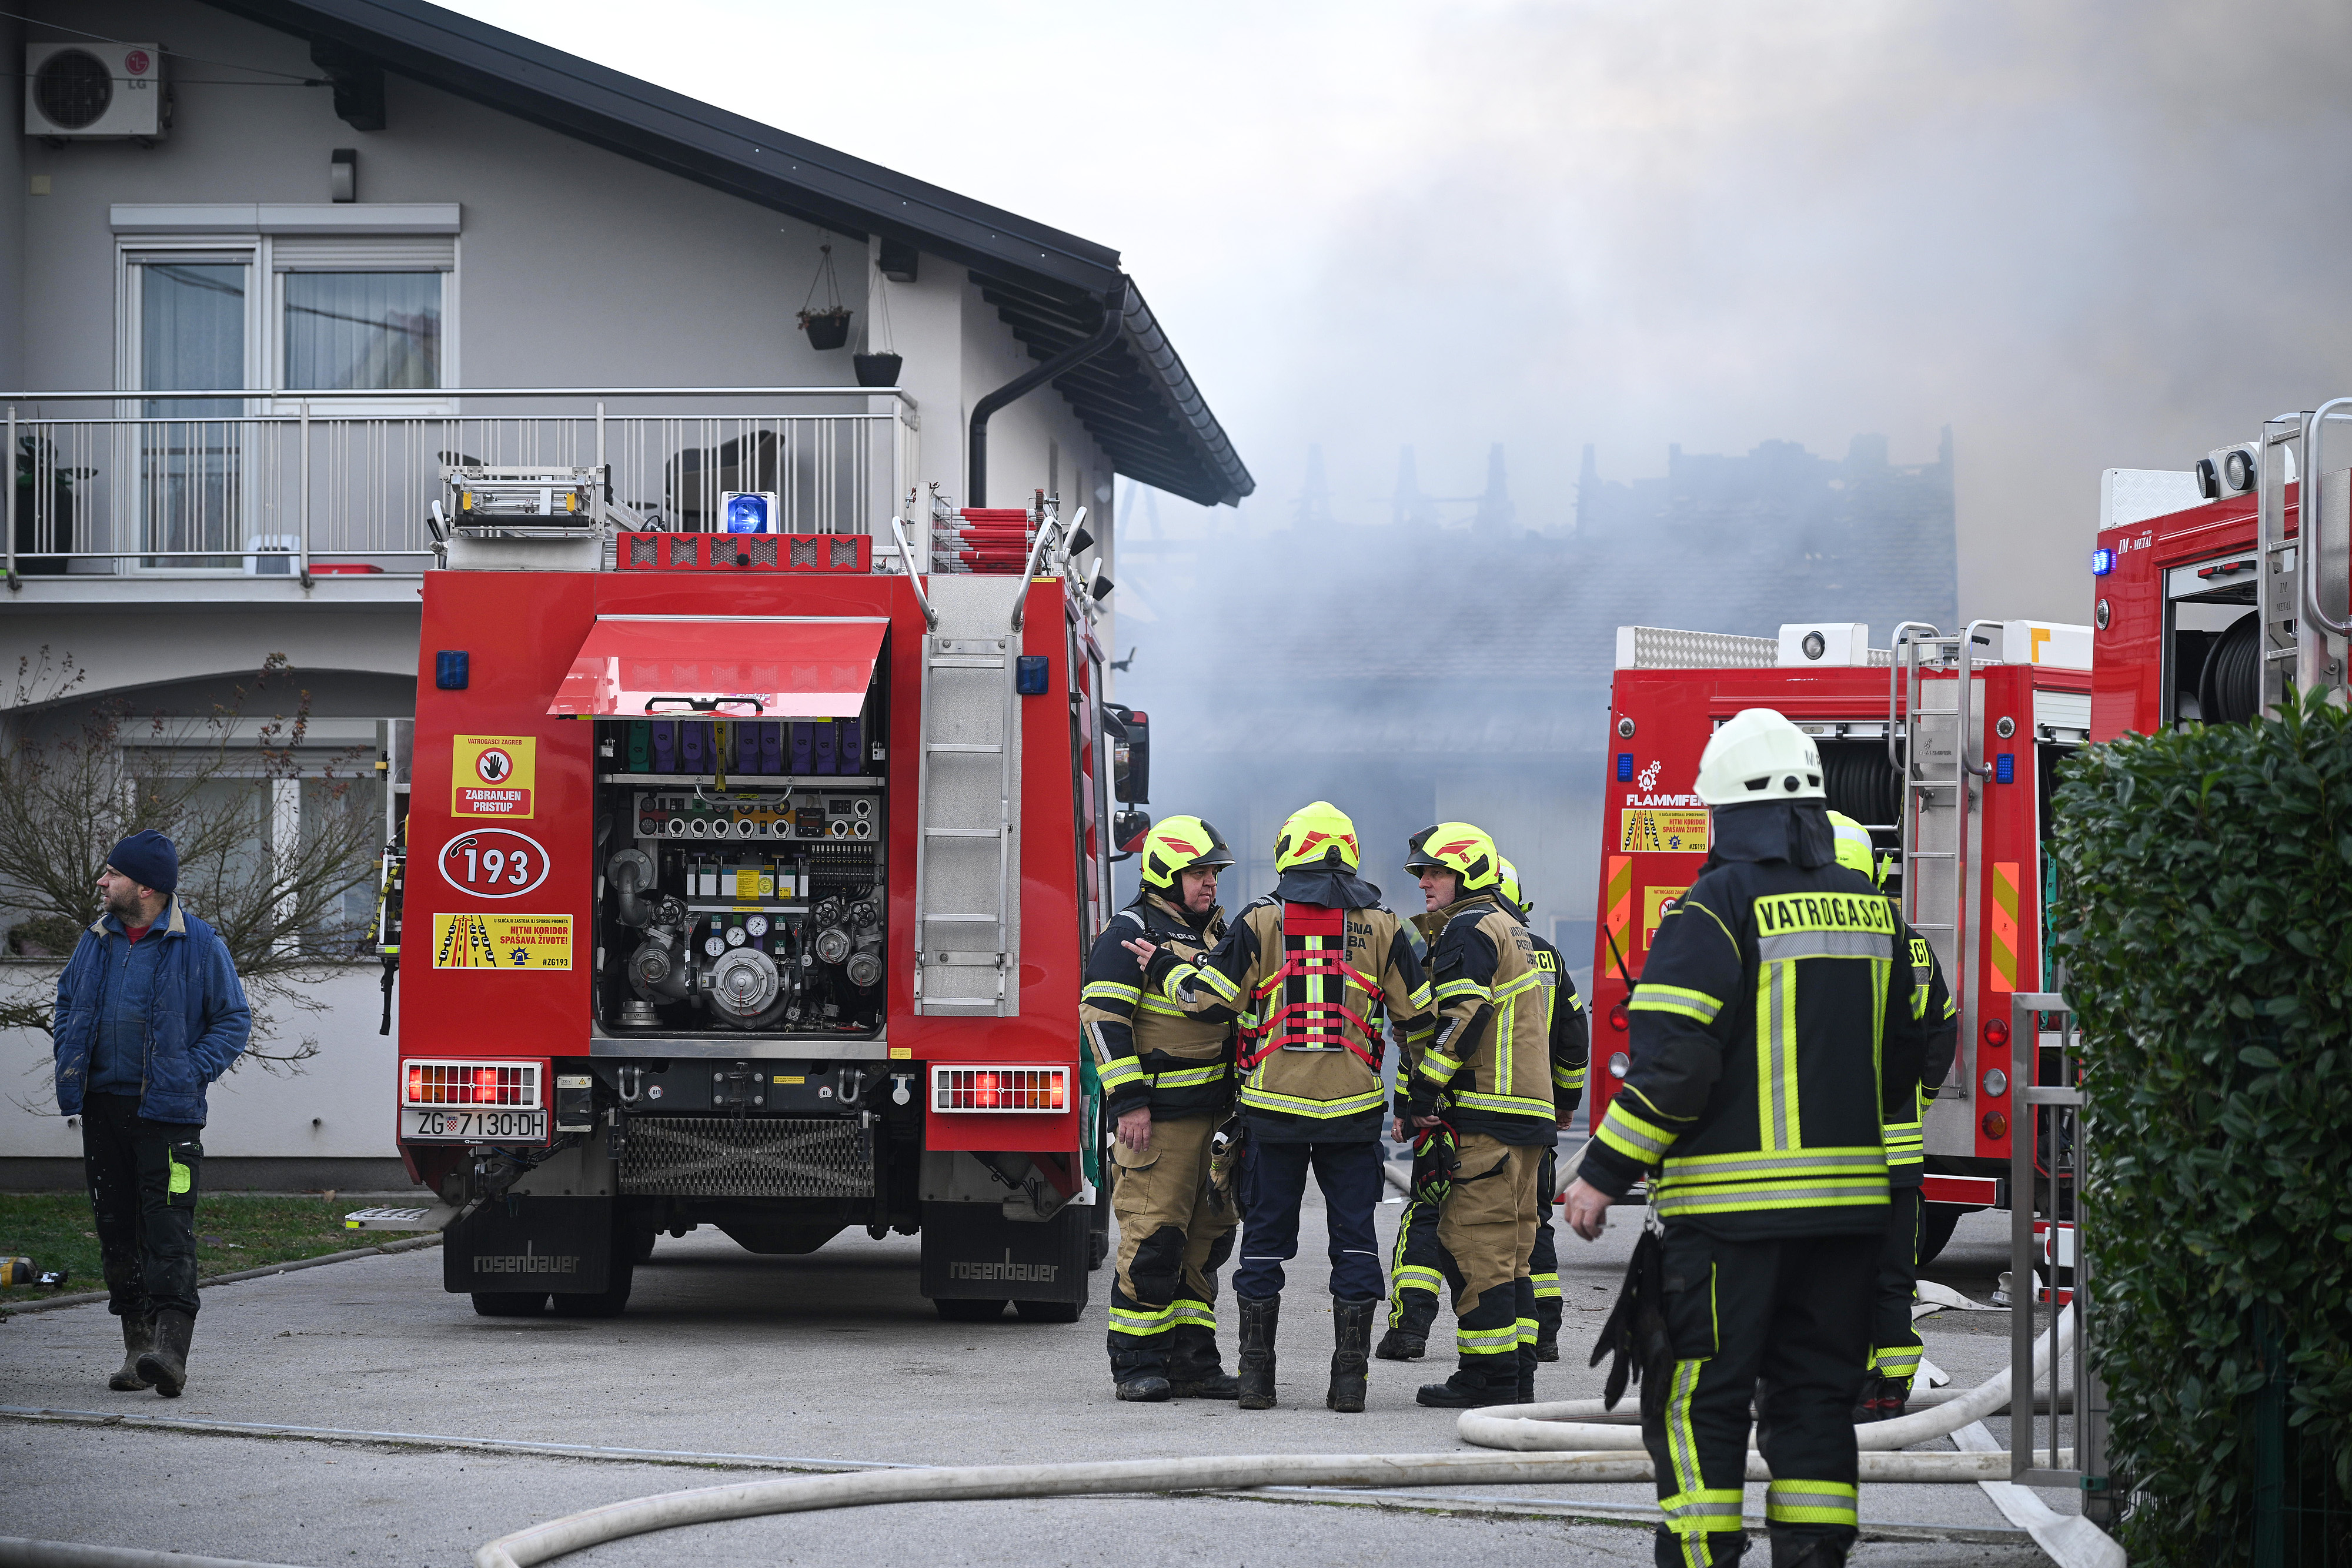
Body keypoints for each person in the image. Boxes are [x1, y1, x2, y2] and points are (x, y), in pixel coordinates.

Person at [1564, 710, 1931, 1568]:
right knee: (1815, 1402)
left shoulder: (1714, 907)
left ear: (1725, 810)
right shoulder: (1877, 913)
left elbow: (1677, 1066)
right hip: (1850, 1219)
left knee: (1700, 1401)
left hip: (1731, 1224)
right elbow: (1904, 1062)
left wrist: (1601, 1173)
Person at [1127, 801, 1433, 1413]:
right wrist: (1415, 1096)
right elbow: (1419, 1019)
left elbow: (1210, 1001)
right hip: (1353, 1116)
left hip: (1273, 1114)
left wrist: (1162, 964)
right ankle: (1350, 1385)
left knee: (1263, 1246)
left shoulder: (1259, 919)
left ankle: (1256, 1381)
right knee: (1356, 1245)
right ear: (1349, 853)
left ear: (1290, 853)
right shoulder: (1386, 926)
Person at [52, 830, 252, 1398]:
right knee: (116, 1229)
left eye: (113, 873)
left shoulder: (199, 943)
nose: (102, 881)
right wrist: (70, 1050)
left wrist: (189, 1071)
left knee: (167, 1228)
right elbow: (66, 1002)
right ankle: (136, 1346)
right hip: (103, 1109)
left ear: (145, 887)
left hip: (168, 1115)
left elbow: (233, 1019)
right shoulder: (96, 939)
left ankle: (170, 1352)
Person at [1378, 857, 1588, 1376]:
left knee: (1446, 1223)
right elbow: (1572, 1036)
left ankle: (1420, 1334)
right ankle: (1535, 1341)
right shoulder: (1544, 953)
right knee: (1526, 1233)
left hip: (1472, 1116)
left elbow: (1438, 1035)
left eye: (1434, 875)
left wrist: (1412, 1101)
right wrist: (1564, 1102)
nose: (1424, 885)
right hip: (1534, 1119)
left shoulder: (1463, 939)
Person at [1079, 815, 1243, 1402]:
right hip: (1158, 1124)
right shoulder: (1130, 933)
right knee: (1154, 1241)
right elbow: (1103, 1021)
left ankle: (1193, 1363)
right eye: (1199, 873)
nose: (1211, 883)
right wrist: (1129, 1103)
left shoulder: (1218, 935)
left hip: (1215, 1121)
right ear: (1166, 876)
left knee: (1204, 1246)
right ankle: (1136, 1363)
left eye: (1214, 873)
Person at [1827, 811, 1958, 1421]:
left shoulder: (1802, 942)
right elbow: (1941, 1030)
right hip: (1897, 1151)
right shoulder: (1912, 944)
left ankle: (1846, 1383)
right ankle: (1892, 1388)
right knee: (1891, 1275)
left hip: (1829, 1150)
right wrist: (1919, 1097)